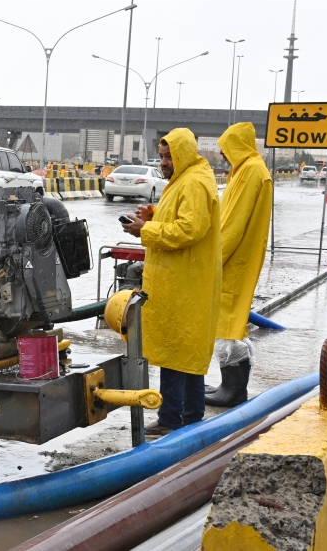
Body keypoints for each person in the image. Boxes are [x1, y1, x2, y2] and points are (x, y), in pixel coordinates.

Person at [121, 128, 221, 435]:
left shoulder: (193, 182)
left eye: (169, 156)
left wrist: (145, 231)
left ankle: (171, 419)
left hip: (184, 282)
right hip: (184, 279)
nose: (163, 162)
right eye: (162, 156)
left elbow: (189, 229)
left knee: (175, 349)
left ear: (184, 155)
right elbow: (182, 218)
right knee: (186, 349)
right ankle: (191, 414)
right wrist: (154, 214)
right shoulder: (189, 179)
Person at [205, 122, 273, 407]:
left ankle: (232, 391)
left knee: (227, 326)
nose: (223, 156)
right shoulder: (249, 170)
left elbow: (232, 225)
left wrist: (212, 261)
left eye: (225, 150)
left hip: (233, 261)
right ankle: (230, 386)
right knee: (231, 325)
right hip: (238, 259)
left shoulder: (249, 172)